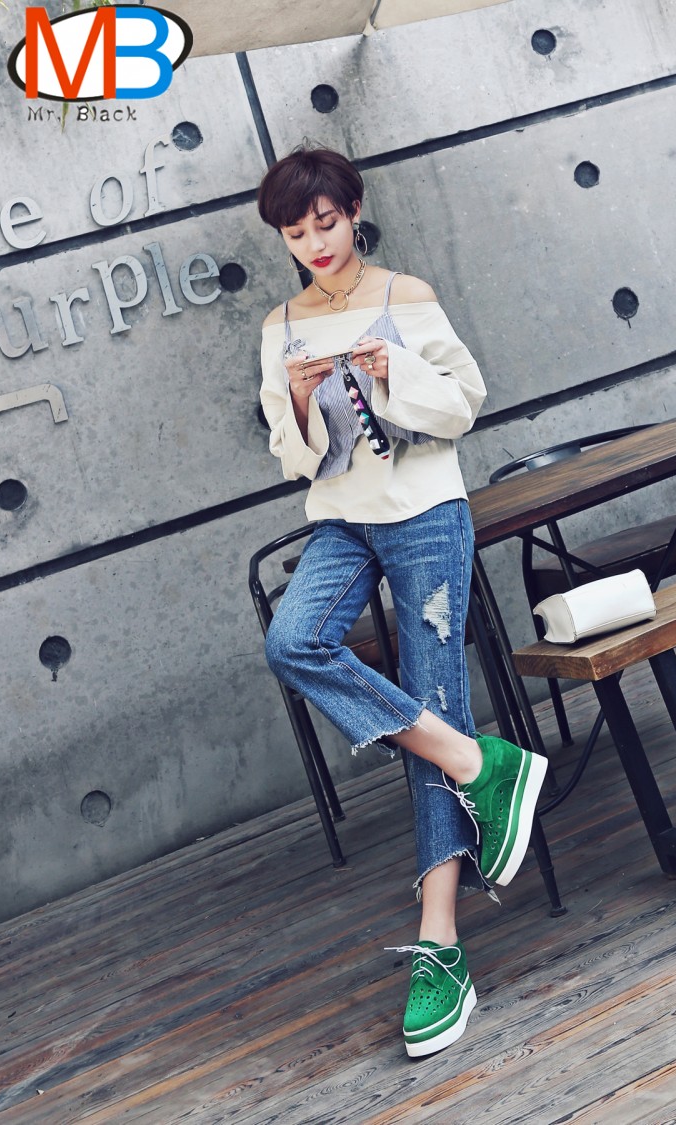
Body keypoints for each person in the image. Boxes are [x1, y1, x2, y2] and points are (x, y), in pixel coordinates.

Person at [257, 145, 547, 1058]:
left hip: (425, 512)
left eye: (326, 222)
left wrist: (395, 372)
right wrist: (297, 401)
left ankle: (440, 947)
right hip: (342, 520)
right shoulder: (280, 325)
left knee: (430, 698)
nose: (316, 243)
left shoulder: (406, 294)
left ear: (353, 212)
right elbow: (292, 455)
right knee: (293, 641)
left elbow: (465, 402)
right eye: (297, 233)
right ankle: (480, 761)